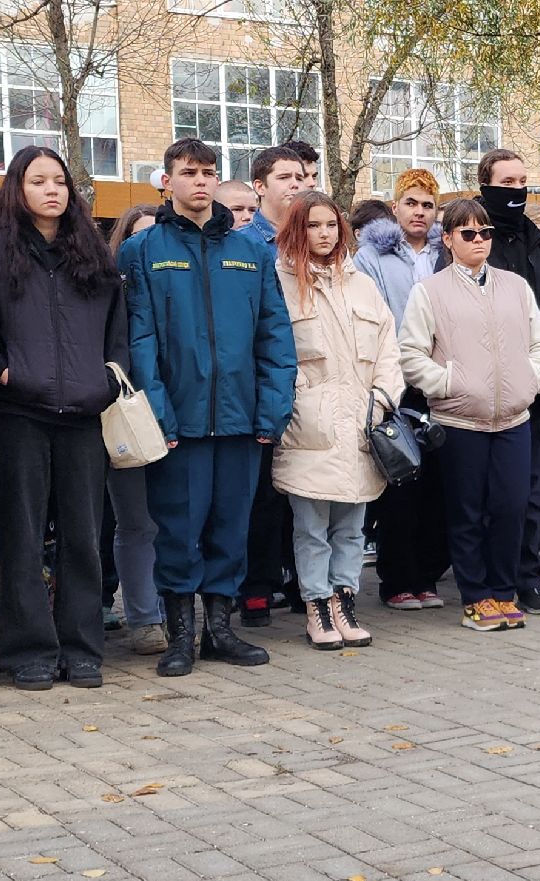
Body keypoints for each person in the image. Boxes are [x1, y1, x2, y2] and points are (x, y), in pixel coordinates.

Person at [120, 137, 297, 677]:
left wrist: (272, 412)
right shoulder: (142, 251)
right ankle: (180, 637)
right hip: (180, 423)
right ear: (167, 180)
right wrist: (160, 415)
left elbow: (275, 337)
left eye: (208, 172)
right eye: (189, 172)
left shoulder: (251, 251)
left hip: (242, 420)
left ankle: (220, 630)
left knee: (230, 526)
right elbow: (140, 342)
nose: (200, 181)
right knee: (177, 530)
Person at [0, 146, 122, 692]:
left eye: (60, 181)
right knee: (22, 537)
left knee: (84, 536)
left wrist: (107, 380)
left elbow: (117, 333)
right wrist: (3, 375)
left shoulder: (95, 254)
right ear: (18, 189)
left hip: (83, 412)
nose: (52, 190)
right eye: (38, 181)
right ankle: (29, 649)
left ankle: (81, 649)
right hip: (16, 414)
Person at [397, 198, 540, 631]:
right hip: (459, 421)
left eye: (485, 232)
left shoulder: (515, 285)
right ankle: (476, 596)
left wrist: (532, 379)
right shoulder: (430, 291)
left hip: (513, 419)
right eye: (468, 233)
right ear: (447, 239)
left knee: (511, 507)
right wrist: (450, 384)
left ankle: (503, 592)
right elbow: (411, 354)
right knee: (467, 511)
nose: (479, 240)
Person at [272, 191, 404, 647]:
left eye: (330, 224)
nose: (323, 234)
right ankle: (316, 607)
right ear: (296, 229)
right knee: (310, 527)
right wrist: (296, 402)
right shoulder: (280, 281)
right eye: (312, 225)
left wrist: (384, 398)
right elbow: (273, 354)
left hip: (362, 423)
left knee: (352, 526)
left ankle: (344, 602)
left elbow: (389, 347)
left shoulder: (361, 283)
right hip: (310, 424)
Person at [475, 149, 540, 615]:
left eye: (523, 181)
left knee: (530, 494)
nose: (517, 189)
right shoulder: (476, 243)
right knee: (489, 496)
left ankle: (526, 578)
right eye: (507, 181)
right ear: (487, 185)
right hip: (486, 395)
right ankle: (486, 585)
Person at [355, 168, 449, 611]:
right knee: (400, 487)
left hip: (440, 383)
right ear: (396, 208)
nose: (419, 212)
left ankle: (427, 575)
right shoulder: (371, 257)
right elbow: (370, 317)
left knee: (437, 490)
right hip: (396, 386)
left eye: (427, 205)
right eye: (411, 203)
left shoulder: (443, 255)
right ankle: (397, 581)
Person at [237, 143, 310, 625]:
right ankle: (257, 588)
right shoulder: (246, 244)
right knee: (261, 494)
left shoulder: (321, 239)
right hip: (263, 382)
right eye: (286, 177)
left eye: (303, 176)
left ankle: (307, 584)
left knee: (308, 491)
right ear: (260, 186)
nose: (298, 185)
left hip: (318, 381)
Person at [101, 204, 167, 655]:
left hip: (174, 412)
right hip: (123, 413)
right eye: (139, 237)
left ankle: (169, 609)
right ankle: (144, 618)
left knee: (171, 522)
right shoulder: (109, 289)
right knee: (135, 522)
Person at [244, 145, 306, 246]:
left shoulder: (317, 238)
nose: (295, 184)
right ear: (260, 187)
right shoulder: (241, 242)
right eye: (284, 177)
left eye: (299, 178)